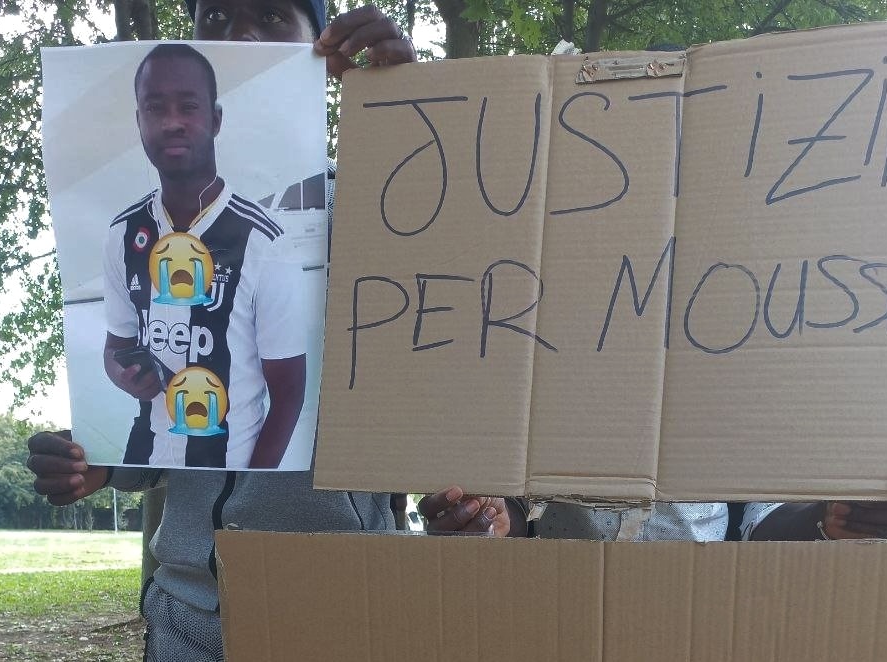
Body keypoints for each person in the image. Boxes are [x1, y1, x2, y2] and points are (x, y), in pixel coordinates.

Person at [28, 3, 520, 660]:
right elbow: (154, 403)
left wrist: (406, 107)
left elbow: (467, 339)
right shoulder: (124, 230)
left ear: (321, 44)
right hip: (187, 612)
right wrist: (102, 459)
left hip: (345, 606)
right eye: (217, 16)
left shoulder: (382, 208)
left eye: (272, 15)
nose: (243, 36)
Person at [106, 43, 308, 469]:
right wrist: (124, 376)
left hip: (235, 471)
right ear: (139, 121)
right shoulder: (123, 234)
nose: (171, 122)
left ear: (215, 119)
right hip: (155, 470)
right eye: (155, 108)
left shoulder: (266, 242)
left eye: (188, 107)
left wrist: (249, 490)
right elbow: (116, 347)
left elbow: (289, 393)